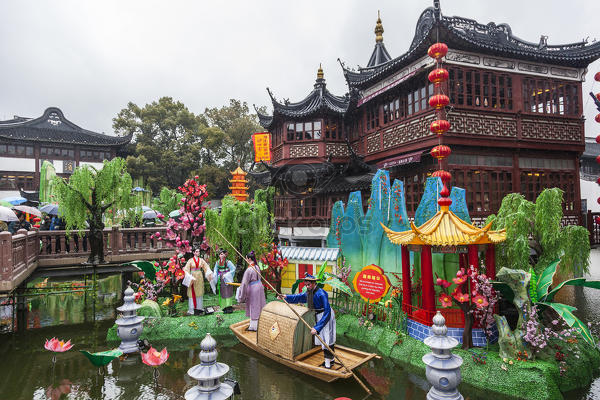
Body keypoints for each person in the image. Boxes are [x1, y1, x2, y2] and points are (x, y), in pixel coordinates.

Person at [279, 273, 337, 369]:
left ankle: (328, 364)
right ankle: (330, 361)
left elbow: (327, 311)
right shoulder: (308, 293)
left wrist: (317, 328)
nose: (307, 286)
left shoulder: (322, 293)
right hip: (318, 315)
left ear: (314, 283)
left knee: (327, 338)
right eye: (306, 285)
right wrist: (286, 297)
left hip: (326, 316)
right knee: (323, 338)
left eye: (308, 284)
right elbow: (299, 297)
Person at [236, 251, 266, 331]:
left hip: (253, 289)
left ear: (249, 259)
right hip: (259, 287)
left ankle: (254, 326)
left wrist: (241, 296)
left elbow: (244, 284)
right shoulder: (257, 267)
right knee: (259, 305)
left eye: (246, 258)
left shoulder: (249, 270)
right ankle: (260, 323)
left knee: (254, 305)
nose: (245, 259)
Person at [183, 248, 213, 315]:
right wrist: (188, 276)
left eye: (199, 251)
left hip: (199, 276)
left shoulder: (201, 260)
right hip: (192, 277)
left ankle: (199, 308)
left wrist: (209, 273)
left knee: (199, 291)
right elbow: (186, 269)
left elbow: (206, 267)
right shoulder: (190, 261)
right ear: (193, 252)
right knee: (192, 291)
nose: (198, 253)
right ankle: (192, 309)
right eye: (196, 251)